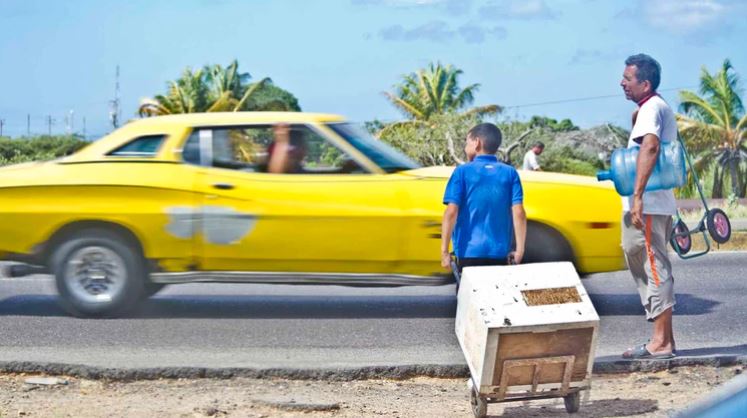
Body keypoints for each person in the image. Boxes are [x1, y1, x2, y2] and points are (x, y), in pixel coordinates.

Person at [619, 54, 677, 359]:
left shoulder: (652, 107)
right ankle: (664, 338)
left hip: (650, 203)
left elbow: (651, 146)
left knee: (654, 265)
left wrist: (638, 197)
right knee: (637, 255)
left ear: (645, 83)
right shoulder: (648, 109)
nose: (622, 83)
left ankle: (661, 342)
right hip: (647, 202)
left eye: (628, 79)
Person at [440, 123, 527, 273]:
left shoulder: (461, 172)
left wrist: (444, 252)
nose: (465, 147)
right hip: (499, 253)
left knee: (469, 295)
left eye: (467, 142)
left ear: (477, 142)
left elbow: (451, 212)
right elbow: (519, 213)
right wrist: (519, 251)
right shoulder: (510, 173)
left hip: (468, 252)